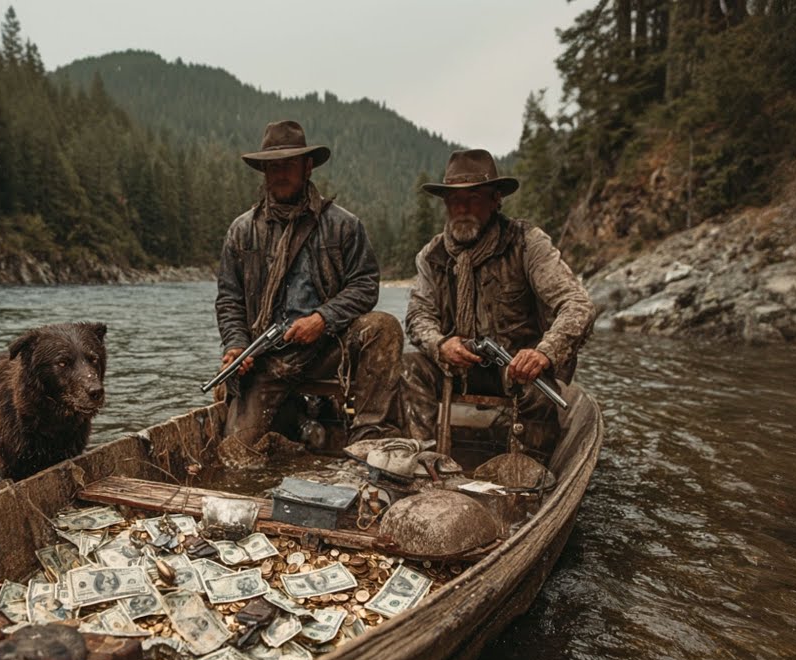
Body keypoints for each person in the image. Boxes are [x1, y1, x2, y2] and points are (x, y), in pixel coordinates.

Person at [215, 120, 403, 447]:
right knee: (236, 451)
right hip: (268, 358)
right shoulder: (242, 231)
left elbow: (365, 285)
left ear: (308, 167)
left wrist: (322, 320)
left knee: (383, 327)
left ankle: (367, 439)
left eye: (289, 164)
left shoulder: (343, 225)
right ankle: (296, 420)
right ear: (264, 172)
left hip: (329, 348)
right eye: (273, 167)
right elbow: (230, 300)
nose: (281, 173)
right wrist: (236, 345)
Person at [402, 149, 595, 458]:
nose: (462, 207)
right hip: (458, 365)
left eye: (474, 198)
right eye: (454, 199)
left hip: (516, 367)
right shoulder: (431, 255)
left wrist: (544, 353)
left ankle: (528, 479)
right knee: (408, 368)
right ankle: (424, 462)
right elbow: (418, 315)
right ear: (445, 205)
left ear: (495, 200)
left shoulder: (526, 242)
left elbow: (577, 304)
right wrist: (441, 345)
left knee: (538, 394)